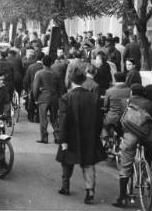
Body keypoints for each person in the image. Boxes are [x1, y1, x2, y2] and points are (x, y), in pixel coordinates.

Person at [56, 69, 106, 204]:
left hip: (70, 136)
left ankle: (65, 186)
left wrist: (62, 139)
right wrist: (96, 134)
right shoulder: (93, 97)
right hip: (89, 136)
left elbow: (63, 121)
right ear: (83, 81)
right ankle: (90, 192)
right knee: (88, 164)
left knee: (66, 160)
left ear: (71, 81)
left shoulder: (66, 98)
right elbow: (100, 119)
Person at [112, 83, 152, 207]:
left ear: (131, 92)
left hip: (130, 136)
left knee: (125, 167)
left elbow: (119, 121)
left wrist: (121, 134)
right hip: (146, 136)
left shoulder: (125, 102)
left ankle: (121, 198)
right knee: (150, 146)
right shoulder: (150, 104)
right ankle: (145, 168)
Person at [33, 55, 62, 144]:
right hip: (54, 98)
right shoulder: (56, 74)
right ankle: (57, 136)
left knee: (43, 119)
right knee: (54, 118)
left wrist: (35, 98)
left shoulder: (39, 73)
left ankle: (44, 137)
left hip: (43, 98)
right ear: (51, 63)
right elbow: (60, 87)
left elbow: (35, 88)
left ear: (42, 62)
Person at [101, 72, 131, 147]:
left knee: (104, 126)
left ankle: (106, 140)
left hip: (112, 117)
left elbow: (105, 106)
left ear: (115, 79)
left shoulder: (109, 91)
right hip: (126, 118)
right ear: (125, 79)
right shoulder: (130, 91)